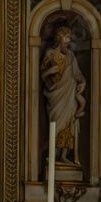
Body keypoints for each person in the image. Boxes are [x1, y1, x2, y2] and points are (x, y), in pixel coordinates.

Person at [40, 25, 86, 167]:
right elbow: (43, 75)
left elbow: (77, 73)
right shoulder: (50, 53)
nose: (67, 41)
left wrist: (82, 81)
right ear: (60, 38)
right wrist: (50, 71)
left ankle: (64, 155)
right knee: (57, 123)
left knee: (69, 123)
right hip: (56, 94)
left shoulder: (71, 56)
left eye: (69, 38)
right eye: (66, 38)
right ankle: (53, 155)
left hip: (70, 92)